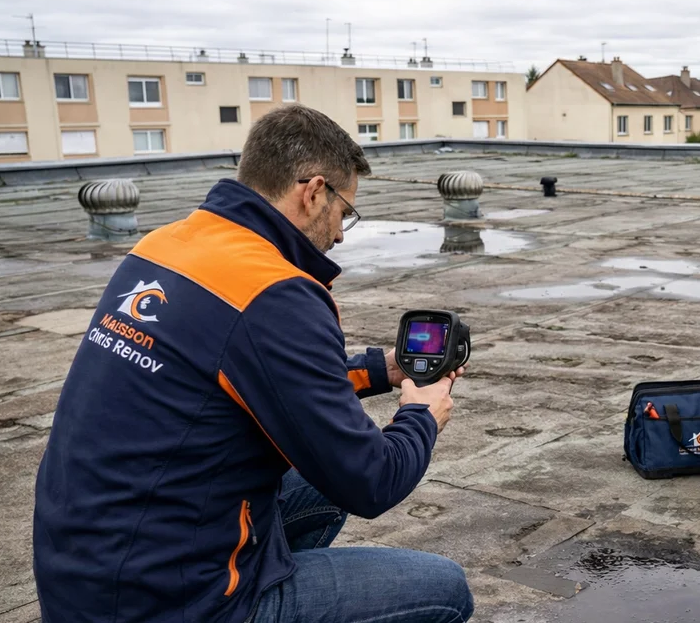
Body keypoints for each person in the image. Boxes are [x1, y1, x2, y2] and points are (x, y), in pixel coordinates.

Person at [33, 104, 474, 622]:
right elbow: (371, 481)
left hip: (84, 575)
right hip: (171, 604)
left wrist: (385, 370)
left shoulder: (165, 244)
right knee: (446, 589)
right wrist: (421, 412)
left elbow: (257, 371)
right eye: (344, 212)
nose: (340, 234)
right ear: (313, 193)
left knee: (316, 489)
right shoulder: (275, 292)